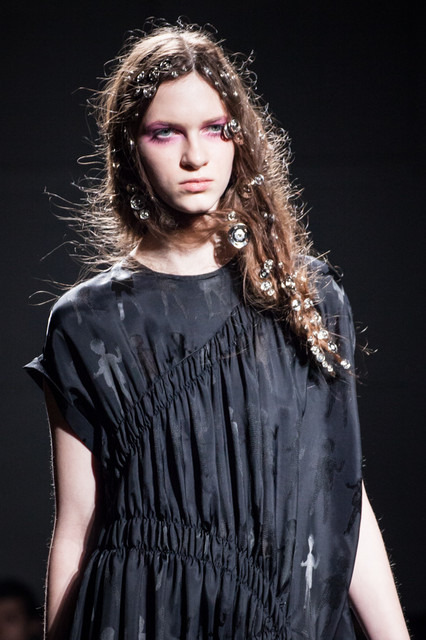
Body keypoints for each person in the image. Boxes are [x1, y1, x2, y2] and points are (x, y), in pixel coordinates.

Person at [25, 22, 410, 640]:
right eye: (165, 132)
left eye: (216, 128)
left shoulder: (305, 295)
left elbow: (340, 493)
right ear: (130, 147)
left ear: (241, 138)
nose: (195, 156)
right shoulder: (86, 321)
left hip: (285, 612)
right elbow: (77, 520)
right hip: (141, 613)